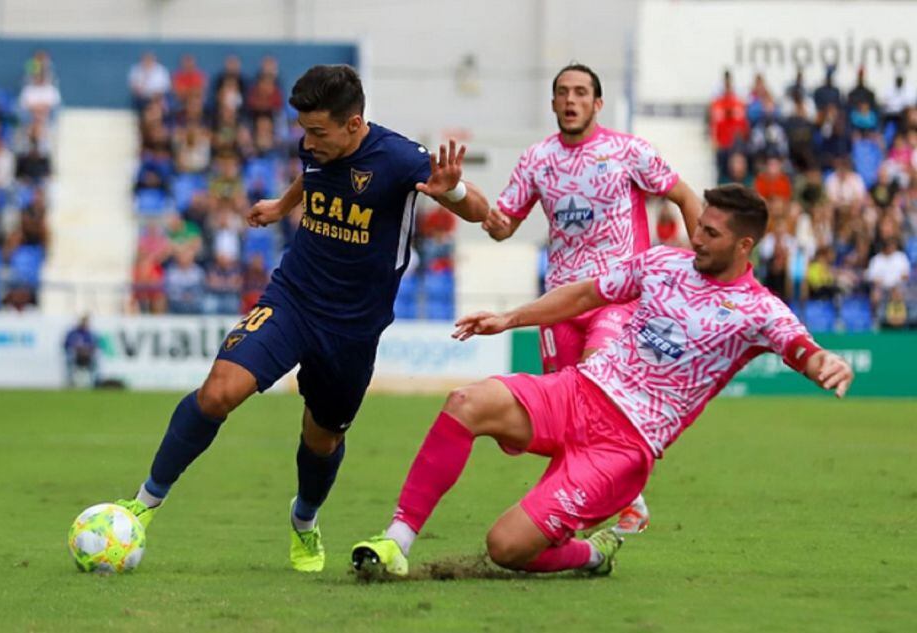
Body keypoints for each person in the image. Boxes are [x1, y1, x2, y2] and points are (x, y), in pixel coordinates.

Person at [350, 184, 854, 579]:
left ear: (745, 245)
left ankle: (592, 555)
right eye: (699, 225)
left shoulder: (758, 309)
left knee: (505, 548)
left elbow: (800, 349)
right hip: (580, 391)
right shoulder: (663, 263)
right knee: (465, 401)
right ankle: (396, 541)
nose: (697, 238)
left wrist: (823, 362)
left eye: (712, 234)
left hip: (623, 445)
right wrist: (509, 318)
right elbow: (585, 295)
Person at [112, 64, 490, 572]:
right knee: (218, 392)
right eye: (302, 131)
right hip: (292, 298)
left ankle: (304, 520)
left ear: (354, 124)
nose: (307, 143)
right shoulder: (313, 147)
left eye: (318, 132)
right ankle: (143, 503)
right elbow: (311, 176)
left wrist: (453, 192)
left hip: (352, 329)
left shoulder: (401, 160)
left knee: (322, 437)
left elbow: (480, 212)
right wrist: (281, 204)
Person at [480, 63, 704, 534]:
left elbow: (683, 195)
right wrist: (465, 199)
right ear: (553, 102)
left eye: (581, 92)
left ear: (597, 103)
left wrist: (702, 258)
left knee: (597, 389)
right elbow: (503, 226)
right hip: (561, 302)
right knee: (566, 417)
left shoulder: (628, 152)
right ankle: (597, 501)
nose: (570, 100)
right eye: (562, 92)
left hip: (618, 297)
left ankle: (624, 497)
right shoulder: (537, 160)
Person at [63, 315, 99, 388]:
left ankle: (94, 383)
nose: (85, 324)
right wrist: (77, 348)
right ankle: (70, 382)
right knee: (69, 356)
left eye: (86, 322)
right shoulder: (73, 333)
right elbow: (67, 345)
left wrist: (87, 349)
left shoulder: (90, 334)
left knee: (95, 360)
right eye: (83, 322)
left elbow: (94, 345)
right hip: (75, 355)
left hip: (87, 356)